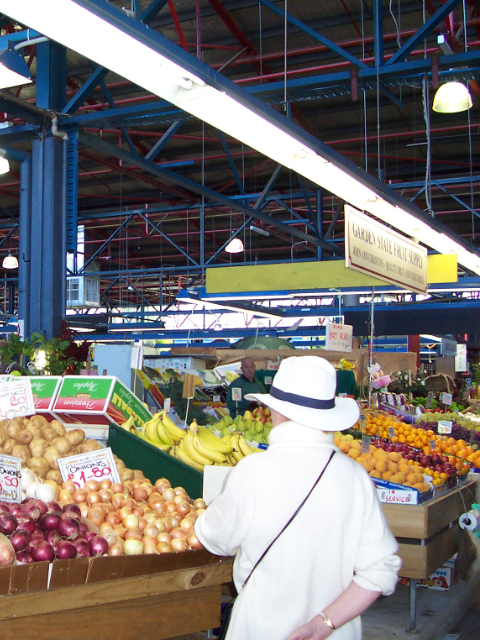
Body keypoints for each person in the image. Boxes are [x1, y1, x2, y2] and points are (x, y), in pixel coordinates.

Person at [195, 356, 401, 640]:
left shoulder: (253, 471)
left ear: (276, 412)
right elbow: (382, 569)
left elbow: (213, 537)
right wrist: (324, 623)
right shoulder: (356, 477)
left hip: (261, 628)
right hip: (336, 633)